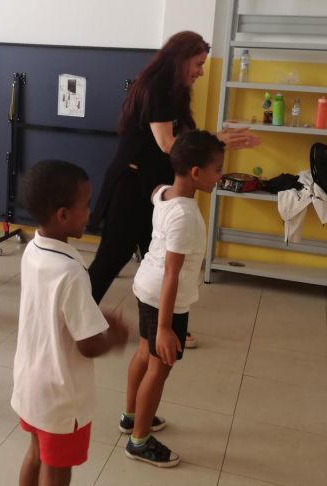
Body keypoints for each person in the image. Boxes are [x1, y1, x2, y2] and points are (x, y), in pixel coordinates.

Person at [88, 31, 260, 347]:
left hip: (151, 184)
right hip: (131, 185)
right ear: (180, 60)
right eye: (198, 64)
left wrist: (214, 139)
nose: (201, 72)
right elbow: (168, 144)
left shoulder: (176, 91)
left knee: (159, 257)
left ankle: (164, 326)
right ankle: (78, 320)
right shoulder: (158, 89)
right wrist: (216, 140)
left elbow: (187, 139)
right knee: (113, 257)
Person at [12, 160, 129, 486]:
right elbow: (88, 345)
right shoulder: (72, 272)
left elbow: (54, 310)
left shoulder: (33, 250)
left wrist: (93, 315)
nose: (90, 212)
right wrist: (115, 338)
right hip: (60, 393)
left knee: (35, 454)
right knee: (57, 469)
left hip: (30, 382)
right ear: (63, 215)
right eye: (86, 204)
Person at [122, 130, 225, 467]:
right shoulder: (185, 216)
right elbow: (172, 273)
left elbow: (155, 191)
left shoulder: (165, 194)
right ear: (195, 172)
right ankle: (139, 440)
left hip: (145, 286)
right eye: (217, 170)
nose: (220, 176)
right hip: (164, 298)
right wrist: (165, 327)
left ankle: (131, 416)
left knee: (144, 352)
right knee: (159, 368)